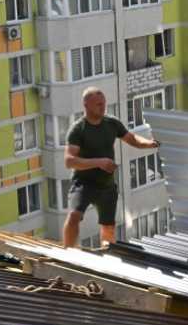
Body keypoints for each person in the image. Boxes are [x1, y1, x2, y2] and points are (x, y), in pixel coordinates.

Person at [63, 87, 159, 248]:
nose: (103, 107)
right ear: (86, 105)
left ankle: (108, 258)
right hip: (83, 184)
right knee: (74, 216)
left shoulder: (111, 123)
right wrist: (99, 162)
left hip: (106, 185)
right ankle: (68, 253)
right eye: (98, 104)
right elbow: (69, 161)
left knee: (108, 227)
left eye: (104, 103)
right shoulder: (78, 129)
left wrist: (151, 143)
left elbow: (132, 139)